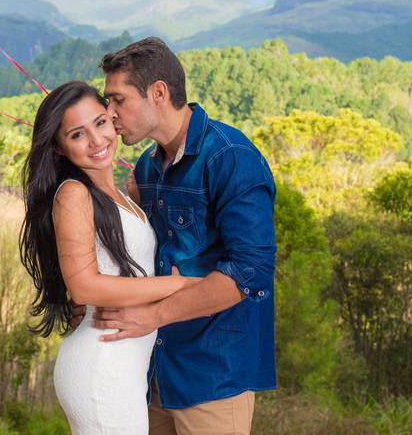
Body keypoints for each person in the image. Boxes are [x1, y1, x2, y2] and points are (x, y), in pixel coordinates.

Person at [94, 37, 277, 435]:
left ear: (158, 92)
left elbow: (250, 272)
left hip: (214, 373)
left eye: (117, 100)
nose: (109, 114)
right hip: (156, 369)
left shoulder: (231, 157)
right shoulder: (146, 167)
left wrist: (152, 316)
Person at [20, 81, 198, 434]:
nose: (97, 141)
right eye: (77, 134)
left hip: (121, 365)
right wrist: (178, 285)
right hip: (103, 367)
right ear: (59, 147)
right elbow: (84, 286)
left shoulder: (118, 193)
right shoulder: (73, 193)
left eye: (100, 123)